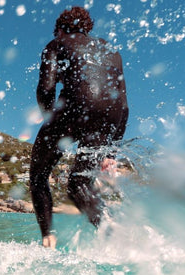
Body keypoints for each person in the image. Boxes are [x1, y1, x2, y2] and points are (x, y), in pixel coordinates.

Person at [30, 6, 129, 249]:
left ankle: (48, 238)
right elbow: (124, 107)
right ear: (87, 29)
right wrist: (111, 153)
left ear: (60, 30)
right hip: (110, 116)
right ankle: (111, 229)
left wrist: (49, 121)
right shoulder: (111, 51)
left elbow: (45, 89)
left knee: (38, 175)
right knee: (79, 184)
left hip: (76, 108)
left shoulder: (56, 45)